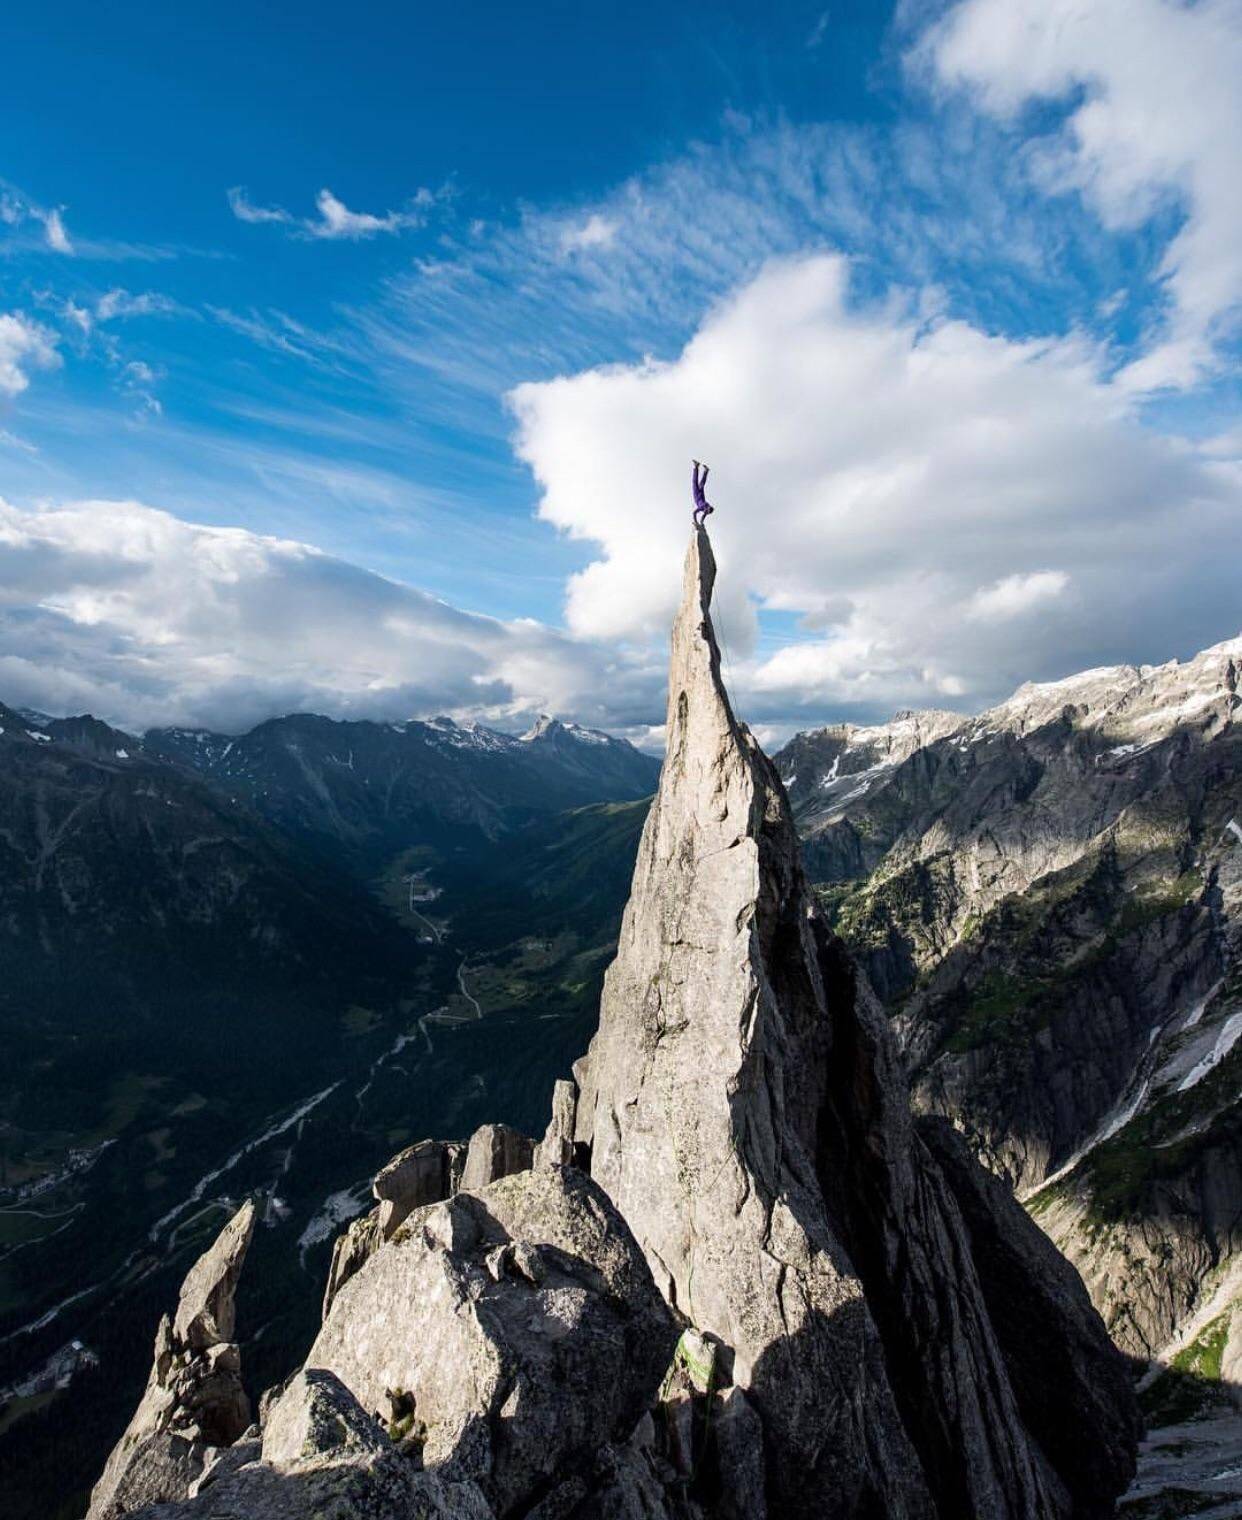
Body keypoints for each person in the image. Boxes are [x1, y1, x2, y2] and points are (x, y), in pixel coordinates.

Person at [692, 460, 714, 528]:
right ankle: (696, 466)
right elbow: (694, 513)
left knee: (702, 483)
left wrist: (701, 522)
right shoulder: (703, 507)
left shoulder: (706, 508)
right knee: (694, 482)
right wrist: (696, 522)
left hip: (701, 495)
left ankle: (705, 471)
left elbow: (703, 517)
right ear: (707, 510)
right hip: (697, 495)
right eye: (706, 512)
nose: (705, 513)